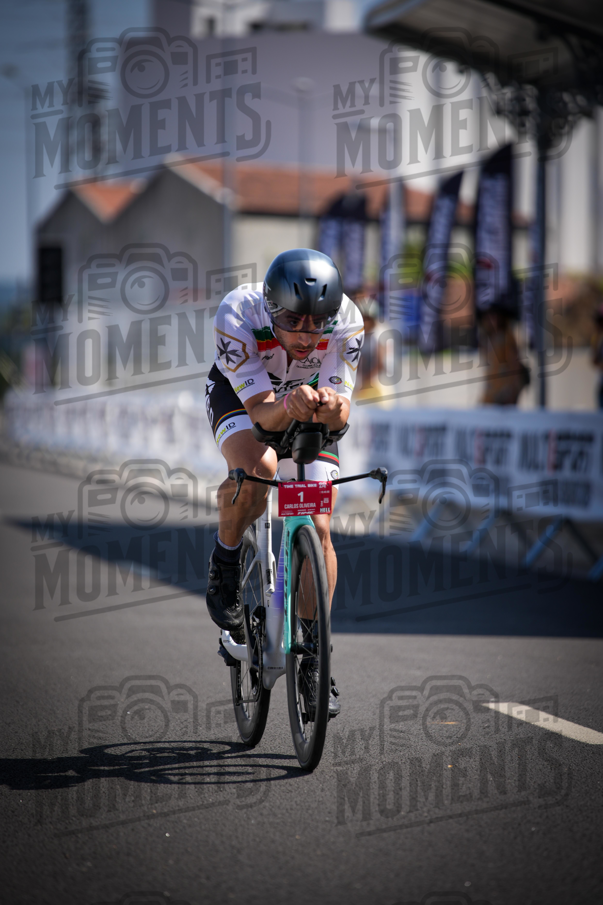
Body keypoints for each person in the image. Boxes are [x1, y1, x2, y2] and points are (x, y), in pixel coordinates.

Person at [204, 249, 364, 717]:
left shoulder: (348, 320)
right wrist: (287, 404)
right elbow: (260, 415)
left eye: (317, 324)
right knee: (260, 469)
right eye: (293, 321)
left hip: (306, 401)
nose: (305, 336)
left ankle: (313, 657)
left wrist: (334, 409)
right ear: (271, 307)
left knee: (319, 526)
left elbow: (342, 412)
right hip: (243, 397)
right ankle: (226, 559)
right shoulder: (238, 313)